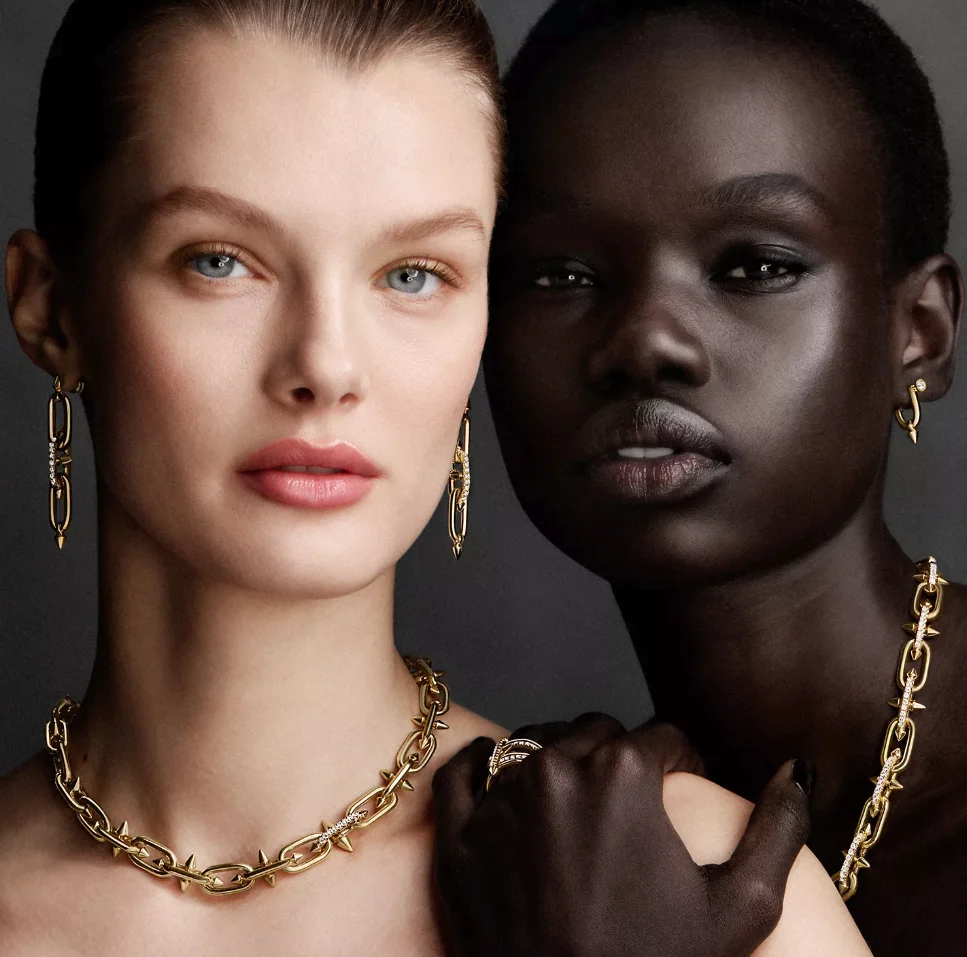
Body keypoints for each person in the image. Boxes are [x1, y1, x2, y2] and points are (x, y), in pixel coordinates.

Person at [0, 0, 865, 955]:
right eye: (221, 261)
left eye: (413, 274)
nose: (326, 366)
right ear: (52, 311)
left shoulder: (693, 886)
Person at [435, 0, 965, 955]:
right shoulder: (541, 833)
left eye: (754, 264)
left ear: (916, 331)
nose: (644, 341)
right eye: (557, 275)